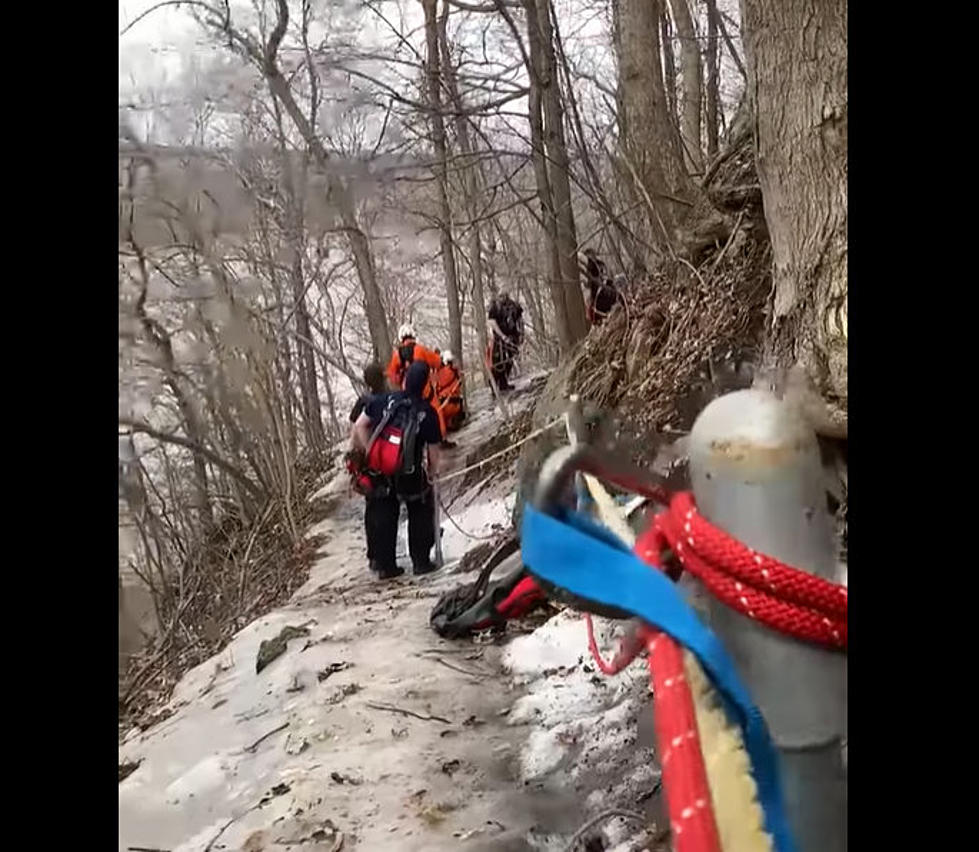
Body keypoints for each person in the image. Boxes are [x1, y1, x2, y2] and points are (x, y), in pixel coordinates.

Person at [352, 360, 443, 579]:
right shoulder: (427, 412)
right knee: (420, 510)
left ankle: (385, 565)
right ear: (424, 385)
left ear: (403, 380)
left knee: (383, 511)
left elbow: (360, 425)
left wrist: (370, 452)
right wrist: (431, 472)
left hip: (382, 469)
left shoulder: (385, 400)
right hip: (410, 472)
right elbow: (433, 451)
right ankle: (421, 562)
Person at [346, 363, 388, 573]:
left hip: (362, 460)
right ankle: (381, 559)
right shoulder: (380, 402)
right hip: (377, 458)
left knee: (371, 509)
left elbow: (352, 427)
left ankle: (373, 555)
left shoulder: (361, 401)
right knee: (382, 509)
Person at [386, 324, 442, 391]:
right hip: (424, 389)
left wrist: (400, 379)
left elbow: (392, 374)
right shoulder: (421, 350)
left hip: (407, 390)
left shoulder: (397, 354)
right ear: (413, 336)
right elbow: (438, 362)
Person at [487, 291, 523, 391]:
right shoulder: (494, 307)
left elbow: (519, 320)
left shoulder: (513, 306)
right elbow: (492, 323)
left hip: (511, 336)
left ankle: (503, 383)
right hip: (499, 339)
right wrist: (502, 336)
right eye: (500, 296)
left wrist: (520, 335)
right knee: (497, 362)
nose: (502, 298)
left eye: (504, 295)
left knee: (509, 360)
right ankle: (494, 386)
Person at [580, 248, 621, 326]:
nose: (593, 258)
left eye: (593, 256)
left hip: (606, 292)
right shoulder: (587, 272)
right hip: (597, 301)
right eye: (590, 257)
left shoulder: (600, 265)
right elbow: (588, 295)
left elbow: (606, 277)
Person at [433, 350, 465, 433]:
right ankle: (452, 423)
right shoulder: (454, 371)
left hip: (445, 405)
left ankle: (448, 426)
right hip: (455, 404)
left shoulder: (439, 373)